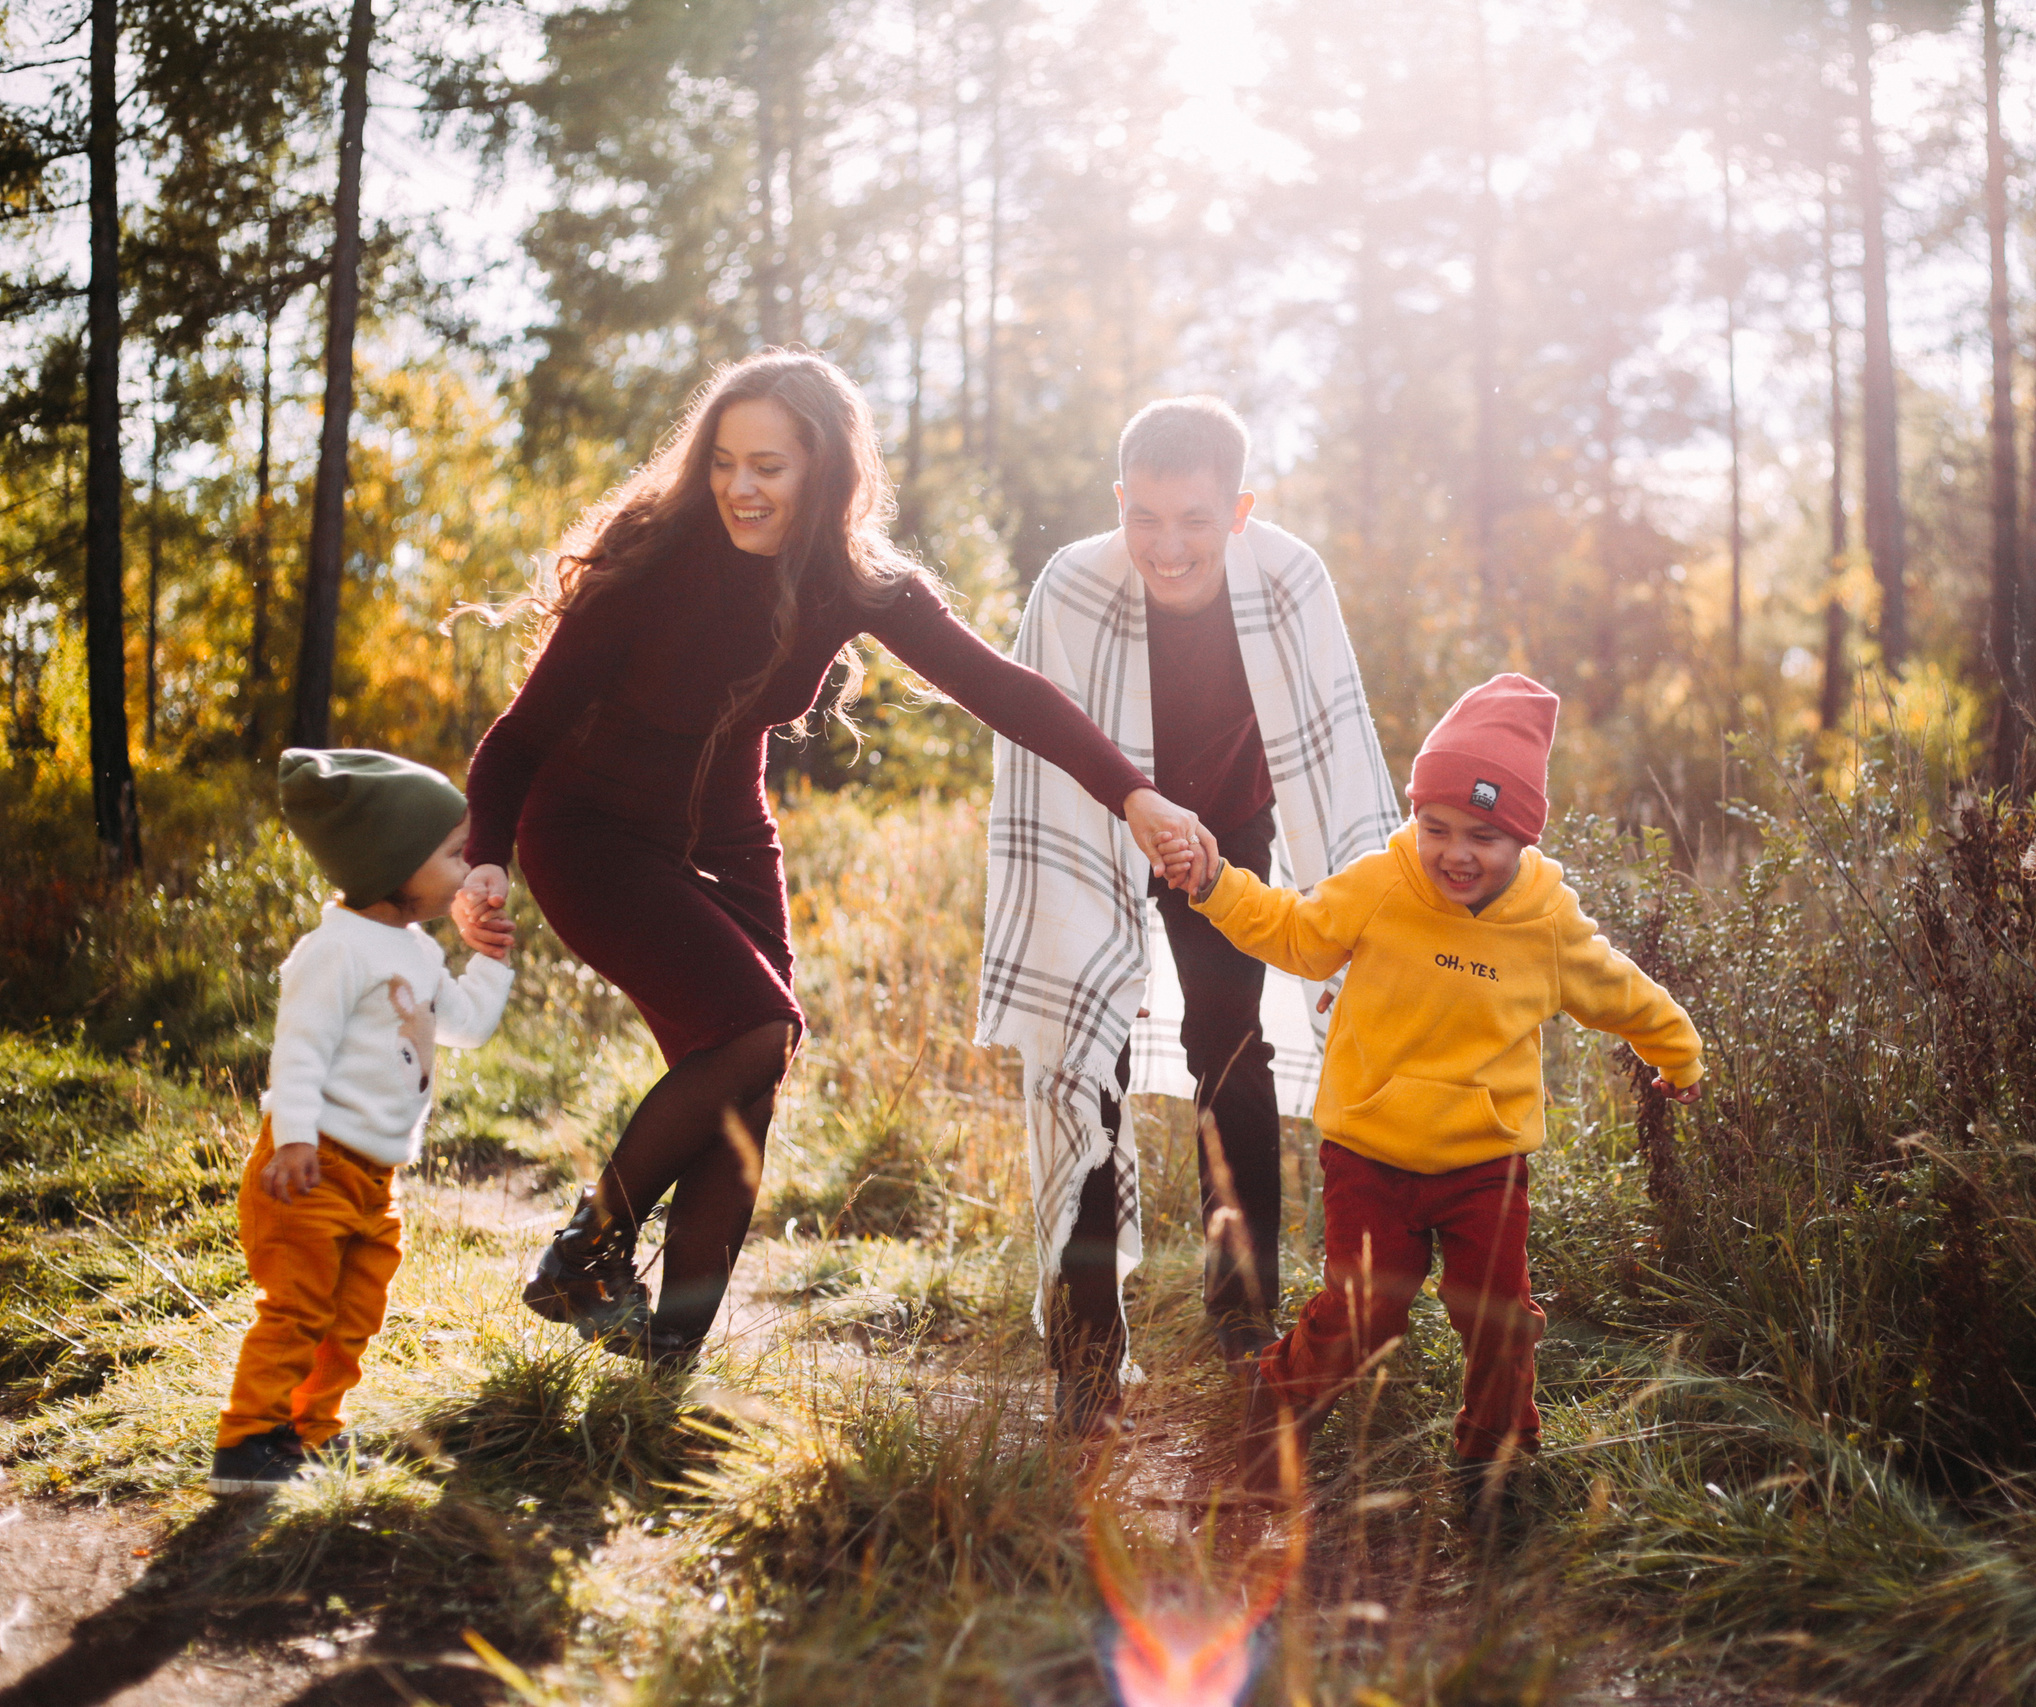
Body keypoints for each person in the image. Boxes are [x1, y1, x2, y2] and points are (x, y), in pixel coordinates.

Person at [453, 350, 1203, 1366]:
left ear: (825, 472)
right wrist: (484, 863)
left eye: (768, 465)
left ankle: (670, 1351)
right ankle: (586, 1251)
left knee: (744, 1075)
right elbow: (518, 734)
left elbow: (1005, 691)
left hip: (726, 836)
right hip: (587, 829)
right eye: (723, 461)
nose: (739, 486)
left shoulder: (857, 581)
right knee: (757, 1025)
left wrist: (1133, 792)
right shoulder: (652, 554)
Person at [1171, 674, 1705, 1527]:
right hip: (1369, 1153)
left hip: (1483, 1165)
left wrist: (1677, 1050)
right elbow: (1298, 933)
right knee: (1362, 1312)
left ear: (1524, 837)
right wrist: (1214, 886)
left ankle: (1491, 1470)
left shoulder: (1547, 925)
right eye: (1437, 827)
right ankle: (1276, 1413)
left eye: (1484, 835)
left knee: (1499, 1322)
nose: (1456, 853)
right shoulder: (1383, 884)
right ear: (1415, 819)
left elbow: (1624, 994)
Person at [978, 397, 1401, 1436]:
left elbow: (1334, 741)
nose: (1168, 547)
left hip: (1231, 843)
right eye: (1146, 517)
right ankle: (1085, 1343)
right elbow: (1039, 750)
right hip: (1100, 826)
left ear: (1240, 510)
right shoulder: (1073, 584)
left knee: (1230, 1054)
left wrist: (1371, 912)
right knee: (1088, 1055)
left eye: (1195, 521)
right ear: (1119, 501)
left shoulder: (1290, 577)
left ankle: (1242, 1309)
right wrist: (1133, 819)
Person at [210, 749, 516, 1495]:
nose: (465, 866)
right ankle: (248, 1442)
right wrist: (292, 1140)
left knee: (353, 1313)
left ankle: (310, 1433)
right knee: (298, 1307)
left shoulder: (414, 949)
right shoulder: (336, 949)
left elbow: (467, 1025)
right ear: (394, 862)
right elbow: (301, 1051)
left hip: (376, 1178)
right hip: (313, 1163)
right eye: (451, 852)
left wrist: (489, 959)